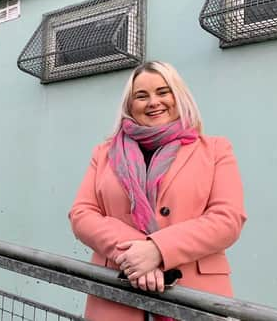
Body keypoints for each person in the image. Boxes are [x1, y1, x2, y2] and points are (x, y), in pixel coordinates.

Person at [69, 61, 247, 321]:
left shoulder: (216, 150)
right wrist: (135, 253)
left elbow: (227, 219)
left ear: (179, 96)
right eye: (141, 96)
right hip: (118, 293)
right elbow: (82, 214)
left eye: (163, 92)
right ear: (129, 105)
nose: (153, 102)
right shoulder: (104, 153)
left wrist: (158, 250)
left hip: (194, 295)